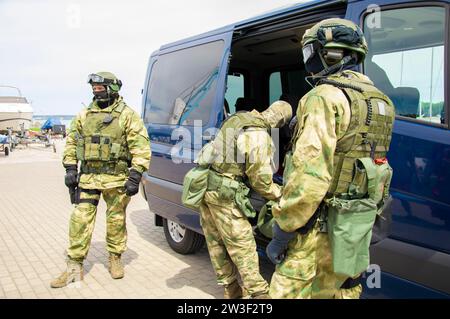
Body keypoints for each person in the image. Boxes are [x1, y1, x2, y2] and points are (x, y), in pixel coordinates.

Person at [266, 18, 395, 299]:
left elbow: (309, 178)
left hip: (315, 236)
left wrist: (282, 231)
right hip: (352, 233)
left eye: (310, 53)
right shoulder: (381, 101)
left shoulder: (324, 97)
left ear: (329, 54)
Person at [51, 72, 151, 288]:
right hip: (88, 179)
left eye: (100, 88)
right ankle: (74, 267)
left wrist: (136, 174)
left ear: (113, 89)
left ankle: (115, 258)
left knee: (116, 221)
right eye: (94, 89)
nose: (97, 92)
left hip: (116, 180)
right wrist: (70, 168)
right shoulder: (85, 115)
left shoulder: (127, 115)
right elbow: (72, 142)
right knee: (79, 221)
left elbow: (141, 147)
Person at [197, 101, 292, 299]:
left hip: (207, 186)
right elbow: (261, 182)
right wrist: (282, 194)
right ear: (280, 122)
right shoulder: (259, 135)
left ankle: (231, 289)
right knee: (244, 246)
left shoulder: (238, 119)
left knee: (216, 242)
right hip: (224, 194)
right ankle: (259, 294)